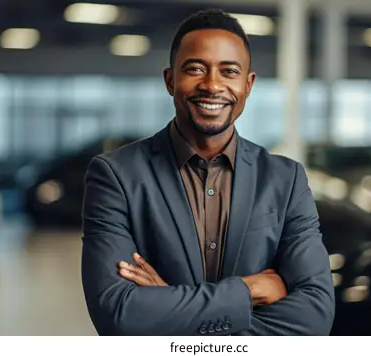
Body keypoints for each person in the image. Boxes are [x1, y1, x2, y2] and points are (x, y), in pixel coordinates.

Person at [81, 8, 335, 336]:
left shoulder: (286, 180)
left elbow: (314, 316)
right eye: (195, 69)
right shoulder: (116, 176)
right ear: (170, 80)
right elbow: (118, 313)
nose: (212, 85)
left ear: (248, 84)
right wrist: (249, 291)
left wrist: (166, 306)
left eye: (228, 72)